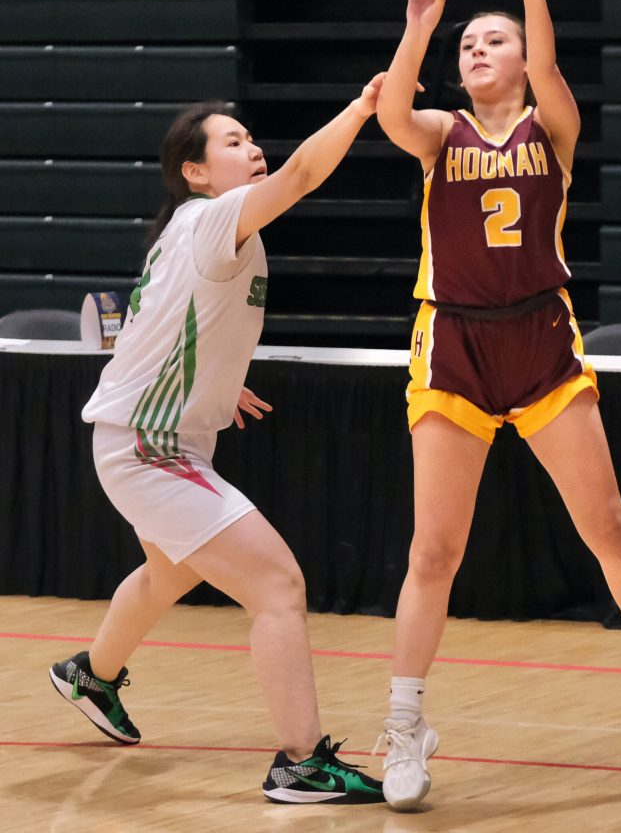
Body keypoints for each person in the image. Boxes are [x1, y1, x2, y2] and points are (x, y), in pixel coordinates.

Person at [373, 0, 621, 811]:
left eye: (494, 40)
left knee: (606, 521)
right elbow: (387, 112)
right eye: (468, 43)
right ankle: (405, 727)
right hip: (450, 340)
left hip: (539, 338)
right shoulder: (438, 130)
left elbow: (555, 74)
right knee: (434, 549)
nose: (476, 49)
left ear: (523, 61)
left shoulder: (549, 126)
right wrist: (420, 20)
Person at [49, 83, 387, 805]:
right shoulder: (211, 218)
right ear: (194, 171)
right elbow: (300, 175)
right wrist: (360, 109)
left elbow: (164, 324)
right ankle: (299, 763)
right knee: (277, 584)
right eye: (232, 142)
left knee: (167, 572)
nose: (253, 147)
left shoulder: (190, 228)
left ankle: (91, 675)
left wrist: (216, 381)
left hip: (153, 439)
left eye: (249, 137)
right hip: (150, 447)